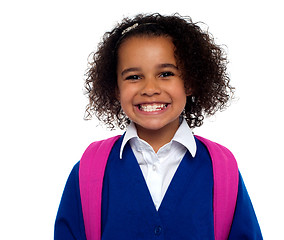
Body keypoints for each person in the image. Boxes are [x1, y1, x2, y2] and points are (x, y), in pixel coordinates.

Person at [55, 13, 263, 239]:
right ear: (115, 88)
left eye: (166, 74)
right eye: (134, 77)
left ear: (190, 81)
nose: (150, 88)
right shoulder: (90, 170)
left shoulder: (221, 169)